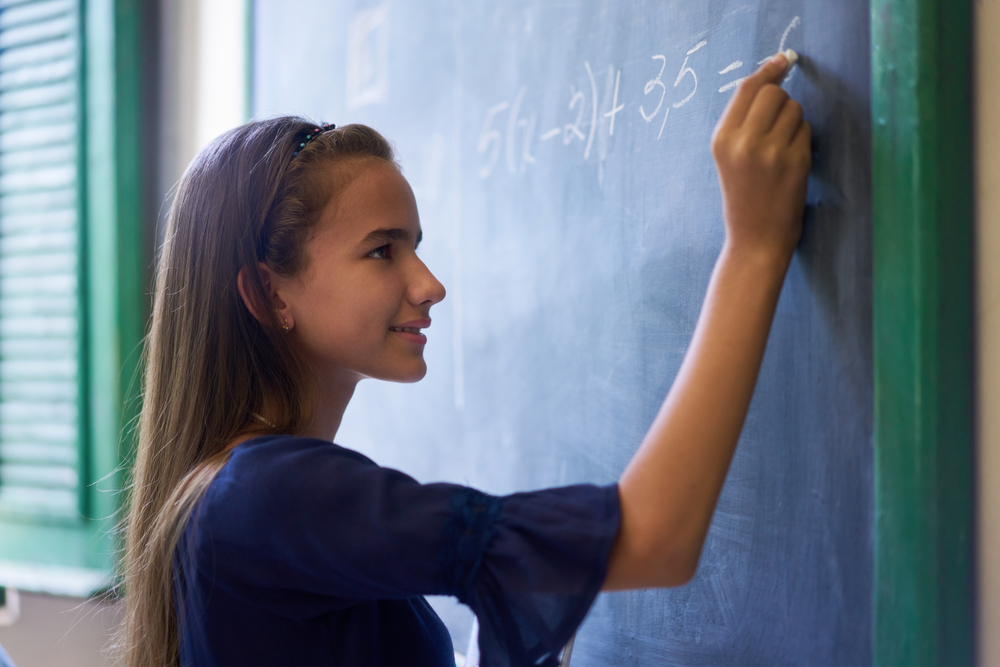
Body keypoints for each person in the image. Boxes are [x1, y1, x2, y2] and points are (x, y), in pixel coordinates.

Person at [116, 52, 809, 667]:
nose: (430, 284)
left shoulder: (231, 490)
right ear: (269, 291)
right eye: (383, 250)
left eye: (415, 245)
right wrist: (753, 249)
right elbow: (656, 536)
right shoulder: (272, 493)